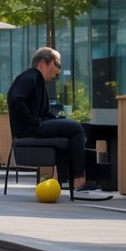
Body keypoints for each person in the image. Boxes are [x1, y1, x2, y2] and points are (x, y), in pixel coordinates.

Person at [7, 46, 97, 191]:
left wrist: (55, 120)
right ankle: (79, 178)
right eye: (57, 64)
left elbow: (42, 112)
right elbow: (15, 100)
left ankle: (66, 181)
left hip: (33, 127)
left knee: (74, 131)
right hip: (30, 130)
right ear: (43, 63)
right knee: (76, 128)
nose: (59, 71)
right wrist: (32, 121)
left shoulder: (37, 80)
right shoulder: (30, 76)